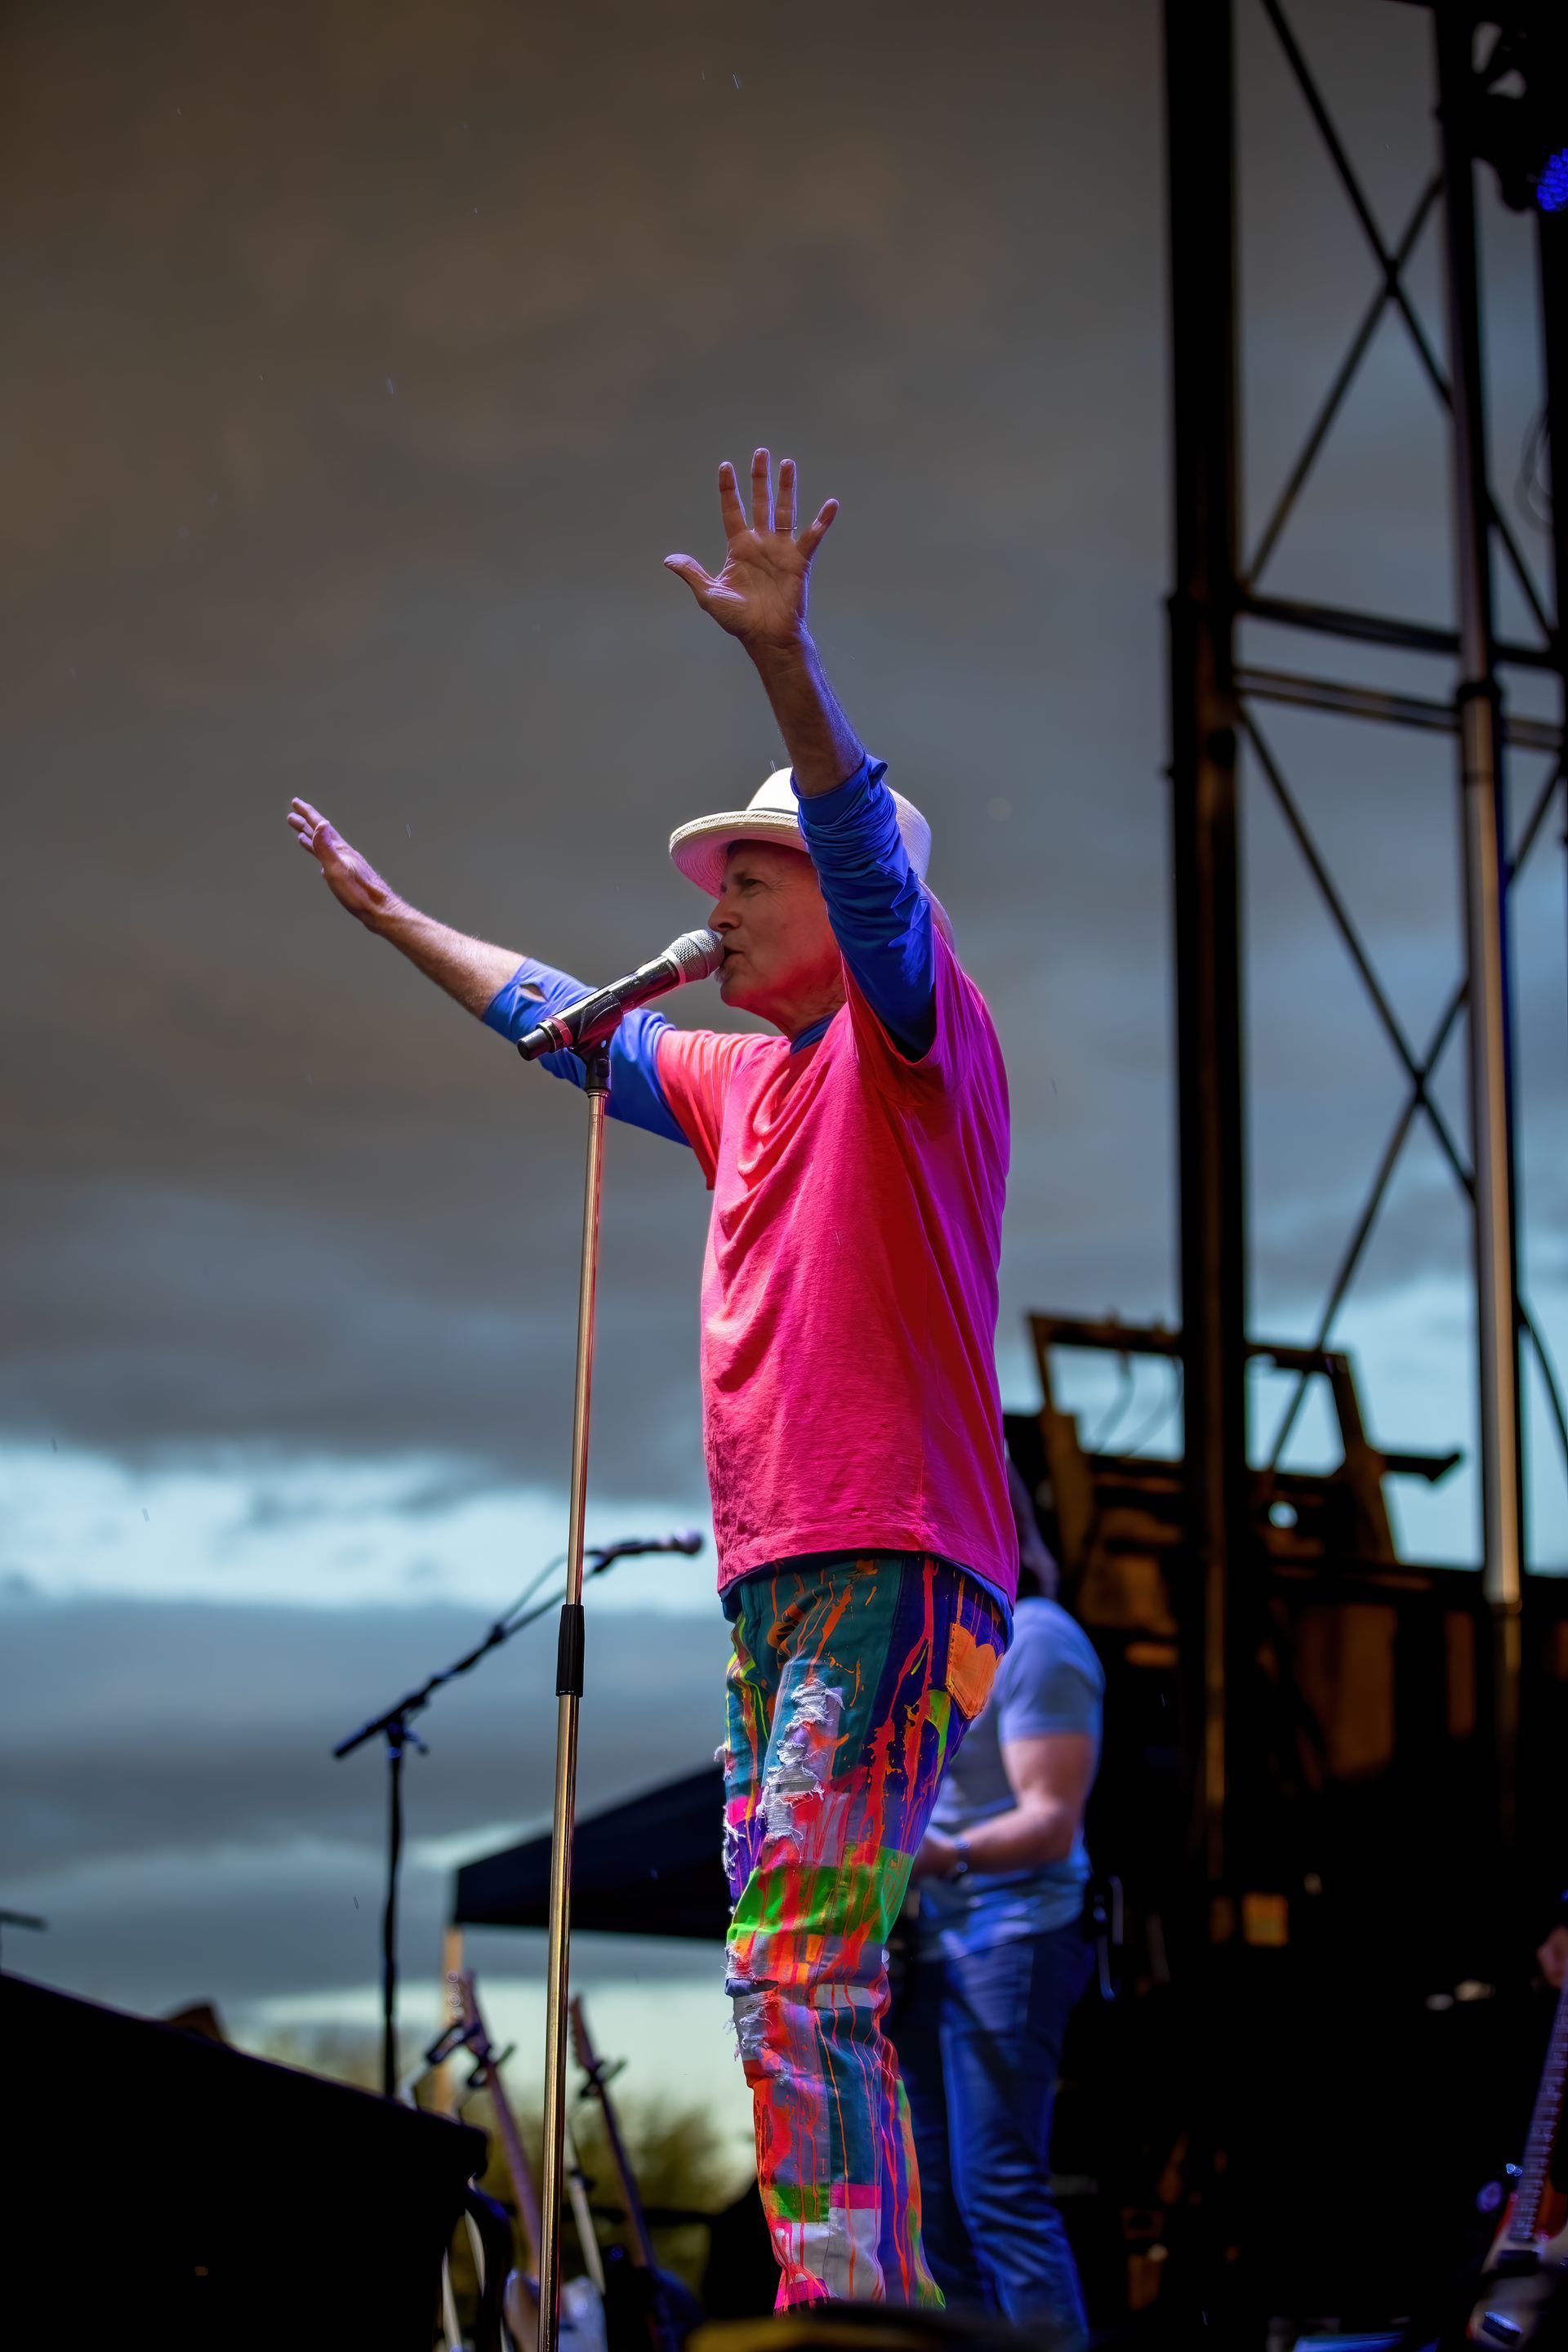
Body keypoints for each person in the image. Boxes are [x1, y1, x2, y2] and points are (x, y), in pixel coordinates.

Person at [287, 451, 1018, 2310]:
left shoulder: (914, 1044)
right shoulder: (737, 1079)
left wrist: (786, 665)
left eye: (753, 873)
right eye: (722, 880)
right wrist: (393, 921)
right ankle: (861, 2277)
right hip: (786, 1574)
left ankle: (855, 2298)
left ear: (843, 900)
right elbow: (562, 1022)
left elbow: (861, 861)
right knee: (798, 1942)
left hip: (889, 1551)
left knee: (794, 1947)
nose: (723, 901)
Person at [898, 1461, 1103, 2350]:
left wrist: (940, 1857)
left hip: (1015, 1933)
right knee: (931, 2196)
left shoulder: (1041, 1639)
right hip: (939, 1940)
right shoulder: (935, 1637)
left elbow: (1052, 1824)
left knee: (997, 2187)